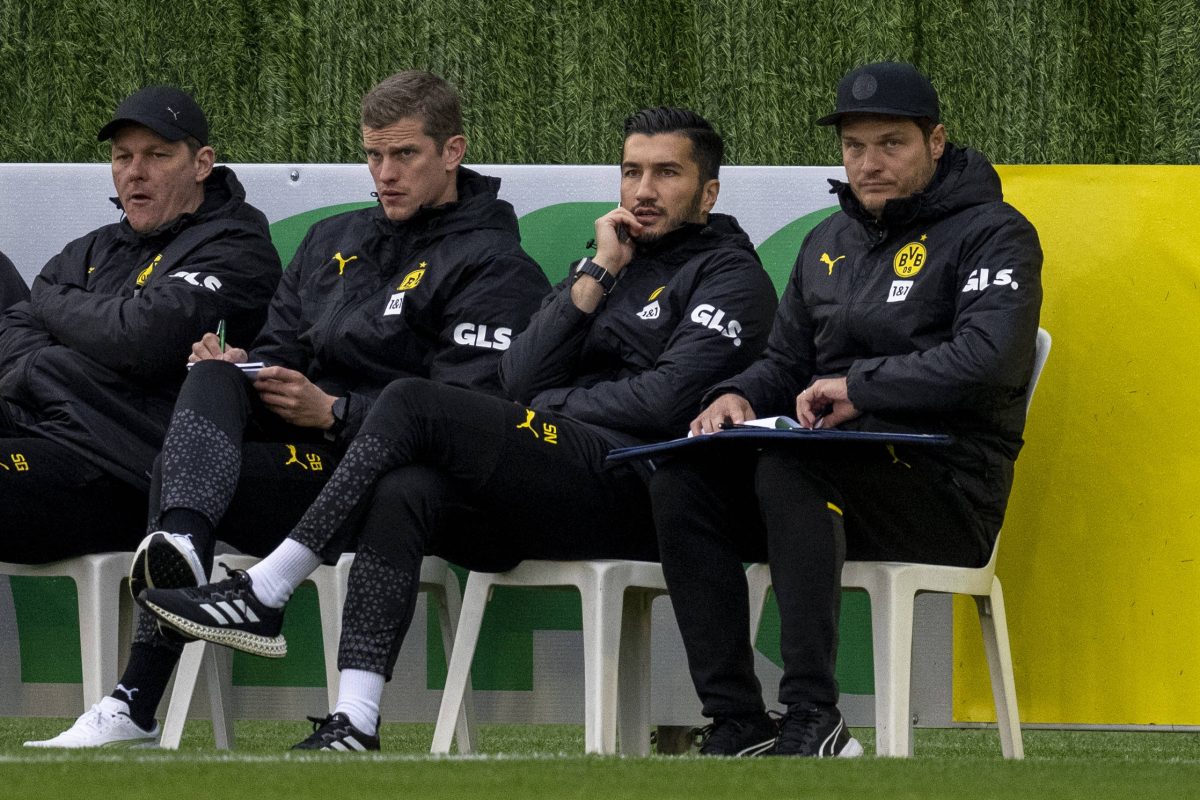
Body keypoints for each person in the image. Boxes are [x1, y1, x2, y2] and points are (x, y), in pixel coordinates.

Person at [140, 107, 779, 752]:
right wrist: (598, 275)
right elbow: (515, 380)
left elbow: (663, 401)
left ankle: (270, 585)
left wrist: (554, 403)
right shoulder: (608, 264)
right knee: (406, 489)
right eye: (631, 171)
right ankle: (356, 719)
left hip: (635, 485)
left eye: (666, 173)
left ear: (709, 191)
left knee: (413, 401)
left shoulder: (732, 275)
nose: (643, 190)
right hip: (551, 479)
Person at [26, 70, 549, 748]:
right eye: (372, 155)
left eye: (404, 155)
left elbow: (465, 419)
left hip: (400, 486)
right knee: (209, 389)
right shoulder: (333, 238)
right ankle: (169, 587)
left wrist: (334, 411)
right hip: (306, 465)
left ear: (453, 152)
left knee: (364, 472)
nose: (385, 173)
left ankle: (148, 685)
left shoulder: (496, 265)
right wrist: (245, 368)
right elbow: (279, 348)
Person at [649, 62, 1043, 757]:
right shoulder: (828, 240)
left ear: (937, 141)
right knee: (686, 482)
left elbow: (991, 358)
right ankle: (739, 722)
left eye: (891, 143)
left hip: (946, 488)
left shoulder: (995, 232)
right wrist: (734, 396)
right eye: (855, 147)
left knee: (790, 468)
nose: (870, 163)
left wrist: (861, 386)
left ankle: (813, 716)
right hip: (834, 483)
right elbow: (784, 365)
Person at [0, 85, 281, 562]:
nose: (135, 172)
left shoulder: (239, 247)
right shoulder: (95, 247)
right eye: (122, 156)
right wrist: (78, 346)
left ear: (201, 163)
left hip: (126, 472)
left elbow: (143, 339)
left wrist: (55, 311)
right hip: (39, 424)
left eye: (156, 154)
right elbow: (10, 333)